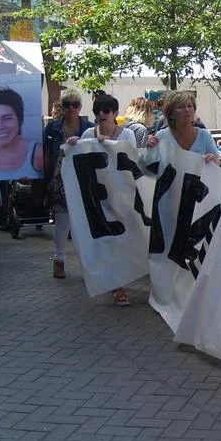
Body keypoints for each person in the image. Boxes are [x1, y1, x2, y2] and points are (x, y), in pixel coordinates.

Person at [69, 94, 137, 307]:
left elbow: (131, 160)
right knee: (105, 241)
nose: (101, 114)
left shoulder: (127, 135)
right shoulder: (88, 134)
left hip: (121, 195)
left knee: (121, 240)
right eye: (97, 111)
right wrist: (73, 145)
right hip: (97, 196)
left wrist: (109, 146)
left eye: (106, 111)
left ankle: (118, 282)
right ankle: (115, 284)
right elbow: (80, 158)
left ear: (115, 113)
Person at [44, 91, 92, 279]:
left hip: (82, 180)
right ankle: (59, 260)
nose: (71, 108)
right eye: (67, 105)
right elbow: (45, 152)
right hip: (60, 179)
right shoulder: (52, 128)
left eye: (75, 104)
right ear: (62, 108)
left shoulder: (89, 128)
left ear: (80, 107)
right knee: (62, 222)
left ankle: (87, 264)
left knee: (83, 225)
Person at [145, 90, 221, 164]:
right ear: (171, 114)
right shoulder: (161, 136)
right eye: (180, 107)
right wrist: (147, 148)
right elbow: (148, 165)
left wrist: (217, 162)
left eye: (189, 106)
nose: (187, 110)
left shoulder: (204, 135)